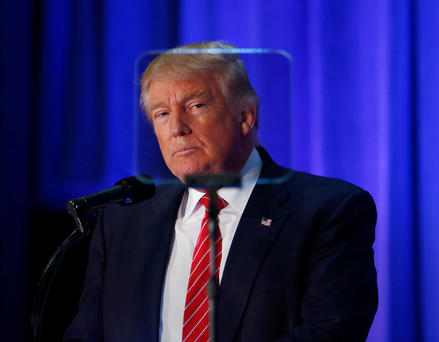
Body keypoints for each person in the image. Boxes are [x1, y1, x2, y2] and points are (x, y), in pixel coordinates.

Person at [64, 41, 377, 342]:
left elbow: (331, 332)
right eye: (162, 114)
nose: (177, 128)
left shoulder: (329, 210)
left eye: (196, 105)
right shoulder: (122, 223)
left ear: (245, 116)